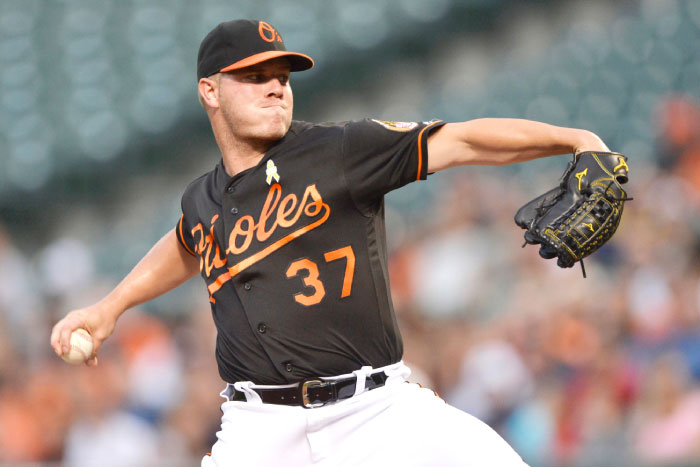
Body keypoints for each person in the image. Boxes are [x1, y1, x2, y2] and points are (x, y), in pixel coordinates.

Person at [51, 19, 612, 466]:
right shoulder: (203, 199)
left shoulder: (342, 151)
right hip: (259, 430)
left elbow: (462, 141)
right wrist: (109, 307)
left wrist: (573, 138)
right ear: (210, 91)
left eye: (283, 76)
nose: (275, 86)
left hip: (376, 411)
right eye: (253, 76)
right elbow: (185, 243)